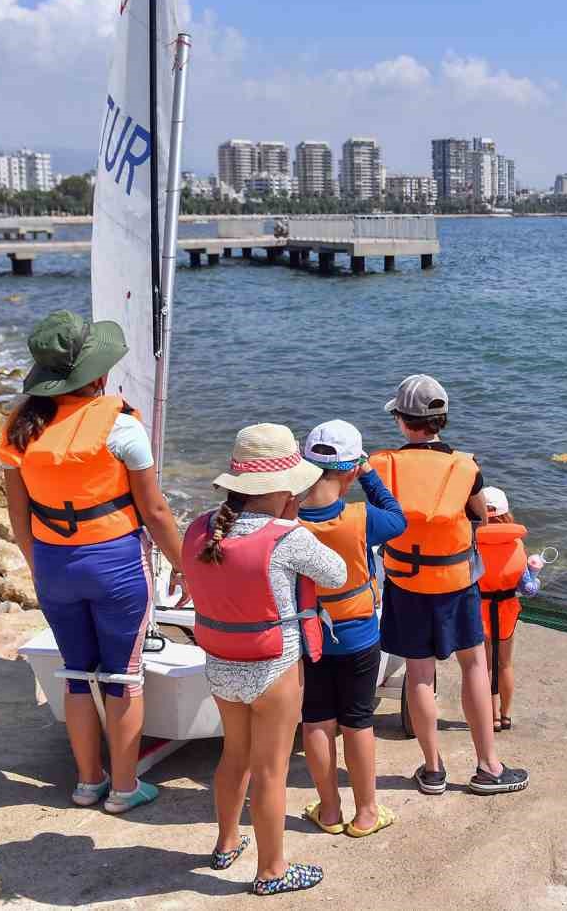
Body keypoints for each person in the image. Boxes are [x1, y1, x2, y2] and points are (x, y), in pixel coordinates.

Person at [0, 310, 184, 815]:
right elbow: (157, 511)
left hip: (54, 564)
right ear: (98, 375)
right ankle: (124, 789)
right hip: (116, 564)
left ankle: (86, 782)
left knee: (76, 672)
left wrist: (40, 566)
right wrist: (186, 565)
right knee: (124, 676)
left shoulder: (19, 428)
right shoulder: (121, 429)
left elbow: (19, 516)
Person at [179, 423, 346, 894]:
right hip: (273, 669)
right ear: (284, 489)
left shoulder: (201, 528)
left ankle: (226, 843)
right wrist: (299, 523)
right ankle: (272, 871)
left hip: (220, 664)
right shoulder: (286, 537)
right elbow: (335, 574)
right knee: (271, 771)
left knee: (234, 757)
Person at [370, 374, 529, 795]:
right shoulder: (466, 466)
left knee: (420, 675)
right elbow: (478, 513)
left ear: (402, 422)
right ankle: (489, 767)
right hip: (455, 582)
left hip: (404, 581)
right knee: (475, 666)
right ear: (442, 420)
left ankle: (433, 769)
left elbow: (379, 517)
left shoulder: (381, 464)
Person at [294, 420, 407, 839]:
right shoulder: (361, 518)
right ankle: (365, 813)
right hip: (357, 632)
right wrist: (370, 475)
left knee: (317, 721)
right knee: (358, 720)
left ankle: (328, 810)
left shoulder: (289, 516)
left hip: (310, 635)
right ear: (351, 467)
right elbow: (399, 519)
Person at [475, 486, 535, 730]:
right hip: (507, 610)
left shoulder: (473, 542)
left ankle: (491, 718)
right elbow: (529, 588)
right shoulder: (517, 546)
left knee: (485, 666)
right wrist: (536, 574)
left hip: (479, 609)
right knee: (505, 664)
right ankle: (506, 715)